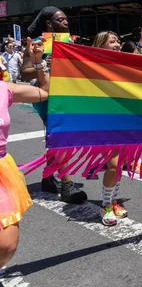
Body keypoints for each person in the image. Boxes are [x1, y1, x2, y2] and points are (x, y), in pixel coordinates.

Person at [21, 6, 87, 204]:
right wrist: (43, 64)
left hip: (67, 94)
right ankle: (67, 185)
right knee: (60, 137)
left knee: (60, 137)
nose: (65, 22)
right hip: (47, 95)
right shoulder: (36, 43)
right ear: (49, 23)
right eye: (60, 19)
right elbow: (25, 72)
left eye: (66, 19)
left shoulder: (70, 43)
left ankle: (48, 178)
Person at [0, 37, 49, 270]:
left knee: (6, 244)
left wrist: (37, 60)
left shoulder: (4, 90)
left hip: (1, 171)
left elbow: (43, 92)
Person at [92, 31, 129, 226]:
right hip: (103, 121)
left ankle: (114, 201)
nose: (117, 43)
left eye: (118, 40)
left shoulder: (123, 64)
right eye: (112, 41)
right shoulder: (93, 66)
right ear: (101, 45)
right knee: (113, 165)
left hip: (123, 120)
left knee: (119, 165)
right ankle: (105, 205)